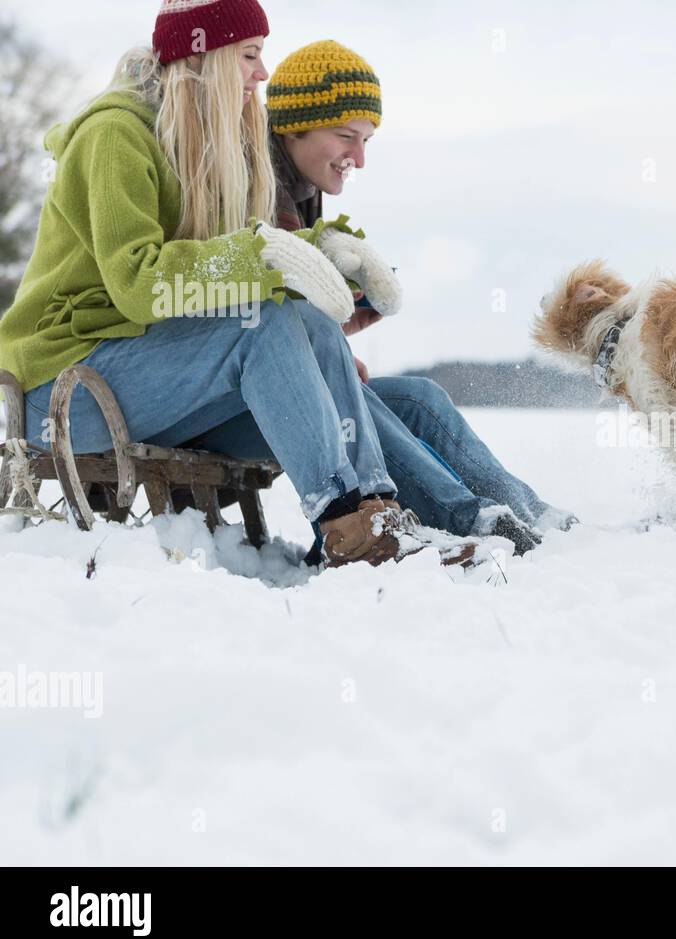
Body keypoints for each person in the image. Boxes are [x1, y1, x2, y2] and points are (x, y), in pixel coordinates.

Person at [0, 0, 464, 568]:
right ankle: (348, 528)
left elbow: (235, 271)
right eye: (249, 55)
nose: (261, 73)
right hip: (65, 387)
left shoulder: (203, 144)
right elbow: (139, 286)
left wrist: (328, 255)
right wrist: (262, 254)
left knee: (313, 329)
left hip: (145, 374)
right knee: (262, 326)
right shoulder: (114, 135)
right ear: (207, 55)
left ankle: (377, 517)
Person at [183, 39, 576, 560]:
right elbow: (253, 320)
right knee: (365, 402)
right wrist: (337, 346)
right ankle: (464, 516)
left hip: (275, 385)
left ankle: (524, 509)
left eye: (367, 139)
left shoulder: (301, 189)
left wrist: (359, 300)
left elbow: (302, 323)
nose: (360, 158)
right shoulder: (252, 187)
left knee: (418, 398)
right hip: (226, 403)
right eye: (347, 136)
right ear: (291, 126)